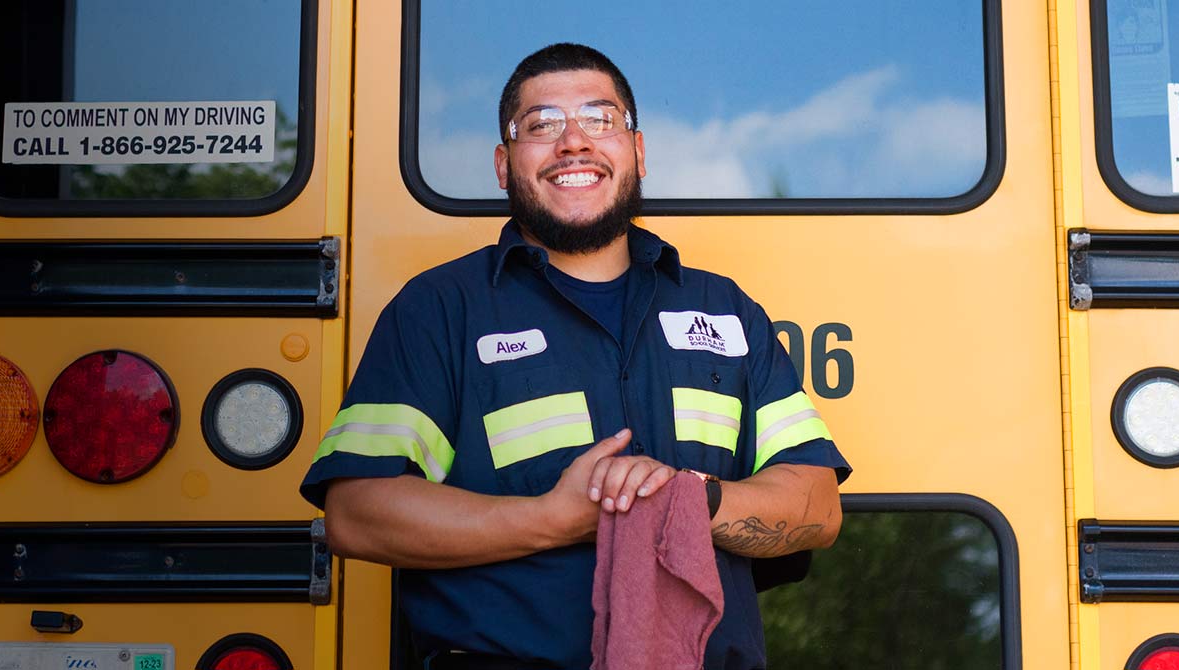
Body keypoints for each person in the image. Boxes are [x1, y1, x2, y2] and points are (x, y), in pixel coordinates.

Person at [300, 43, 851, 670]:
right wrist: (551, 519)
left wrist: (692, 502)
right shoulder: (439, 309)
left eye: (599, 118)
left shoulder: (724, 308)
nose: (573, 143)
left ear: (637, 153)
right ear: (505, 165)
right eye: (540, 126)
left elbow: (817, 506)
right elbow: (355, 514)